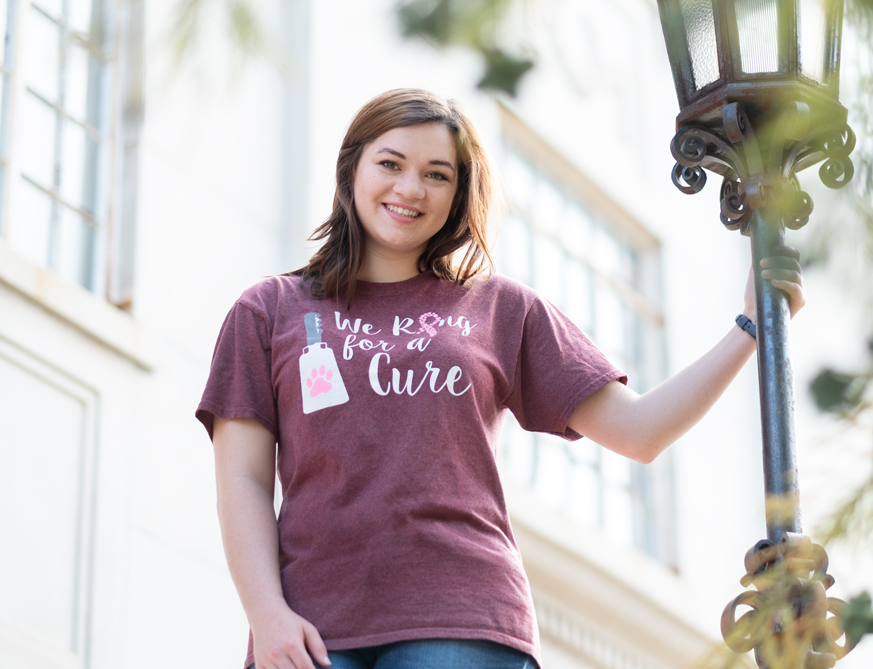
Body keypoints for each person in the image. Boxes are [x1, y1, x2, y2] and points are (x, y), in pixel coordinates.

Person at [196, 89, 804, 669]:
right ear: (352, 169)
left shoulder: (499, 308)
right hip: (309, 625)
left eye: (437, 174)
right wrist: (265, 613)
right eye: (390, 163)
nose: (410, 188)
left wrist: (752, 327)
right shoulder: (270, 310)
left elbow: (639, 431)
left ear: (458, 193)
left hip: (465, 621)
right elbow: (243, 480)